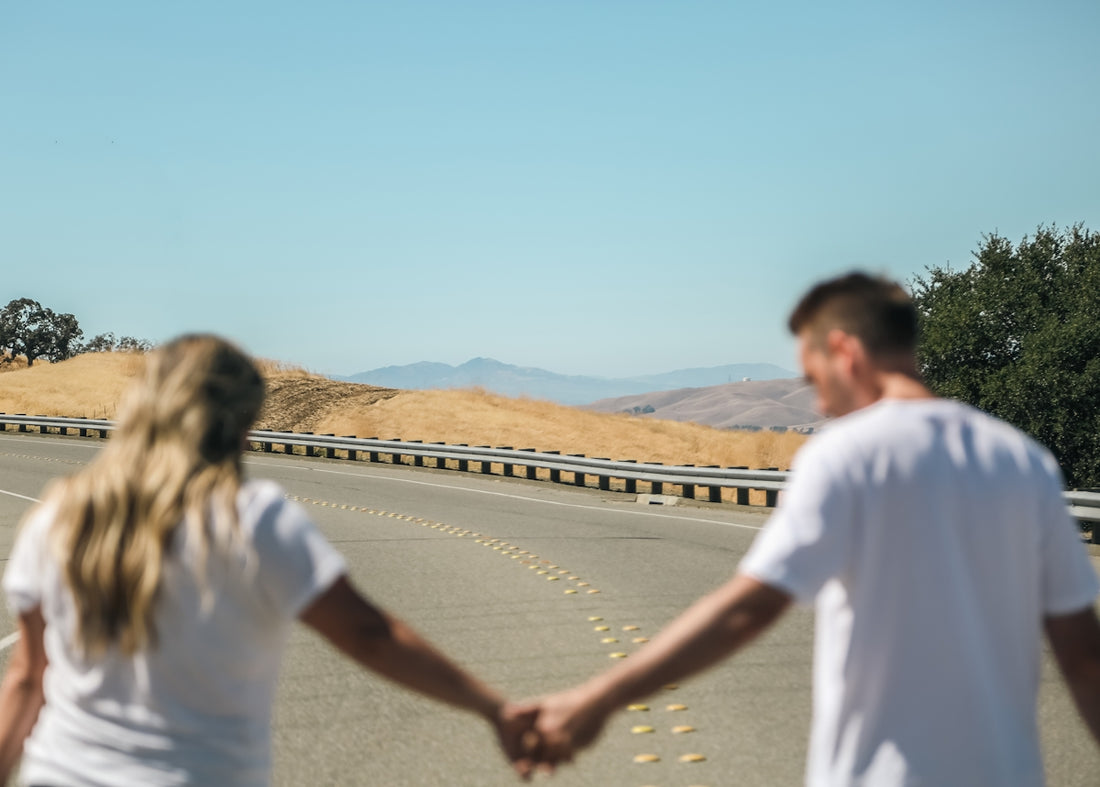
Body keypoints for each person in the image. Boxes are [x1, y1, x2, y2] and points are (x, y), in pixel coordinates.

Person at [527, 272, 1100, 785]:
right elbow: (1083, 657)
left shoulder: (845, 456)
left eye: (814, 377)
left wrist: (597, 699)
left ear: (845, 352)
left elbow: (748, 609)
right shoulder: (1023, 462)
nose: (820, 405)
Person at [0, 334, 536, 786]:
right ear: (240, 425)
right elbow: (368, 636)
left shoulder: (59, 515)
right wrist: (494, 709)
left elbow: (26, 678)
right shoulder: (251, 520)